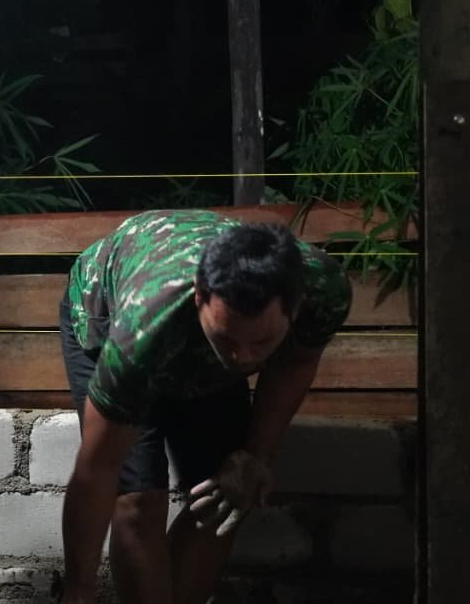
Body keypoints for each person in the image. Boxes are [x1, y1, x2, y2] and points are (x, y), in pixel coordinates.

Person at [57, 209, 352, 604]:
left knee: (229, 491)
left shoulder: (323, 289)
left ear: (295, 307)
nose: (243, 358)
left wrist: (257, 454)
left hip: (193, 341)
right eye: (228, 338)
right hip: (110, 309)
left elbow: (296, 362)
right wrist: (79, 591)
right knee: (138, 500)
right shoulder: (142, 330)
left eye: (261, 343)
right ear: (199, 297)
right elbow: (98, 469)